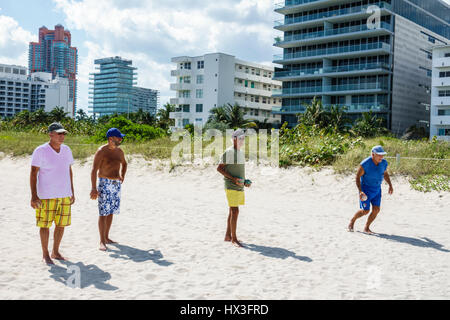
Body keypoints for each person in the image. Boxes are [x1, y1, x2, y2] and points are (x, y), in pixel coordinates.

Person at [30, 123, 75, 265]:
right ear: (50, 134)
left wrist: (72, 191)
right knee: (45, 225)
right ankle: (45, 254)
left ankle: (55, 252)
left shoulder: (67, 150)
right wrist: (34, 196)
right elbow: (33, 173)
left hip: (64, 194)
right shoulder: (41, 150)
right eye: (59, 133)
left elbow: (69, 171)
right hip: (46, 195)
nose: (62, 136)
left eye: (63, 134)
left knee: (61, 225)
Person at [90, 128, 127, 251]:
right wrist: (94, 188)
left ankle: (106, 237)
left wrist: (122, 175)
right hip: (104, 183)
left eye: (121, 137)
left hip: (116, 184)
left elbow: (125, 163)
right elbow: (94, 170)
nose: (121, 139)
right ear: (111, 139)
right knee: (103, 212)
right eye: (118, 137)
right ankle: (101, 241)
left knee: (111, 211)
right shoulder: (101, 151)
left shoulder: (119, 151)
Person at [217, 129, 251, 247]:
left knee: (232, 211)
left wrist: (245, 181)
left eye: (243, 138)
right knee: (235, 211)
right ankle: (234, 239)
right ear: (234, 139)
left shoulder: (240, 153)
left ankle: (228, 235)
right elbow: (220, 168)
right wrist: (233, 179)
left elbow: (239, 171)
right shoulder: (229, 152)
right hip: (231, 185)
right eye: (240, 138)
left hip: (239, 185)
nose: (242, 141)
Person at [348, 145, 394, 234]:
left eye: (382, 155)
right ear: (373, 155)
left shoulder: (384, 163)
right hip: (366, 189)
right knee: (365, 211)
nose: (382, 157)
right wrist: (360, 191)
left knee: (376, 209)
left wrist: (390, 185)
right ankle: (352, 220)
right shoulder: (365, 164)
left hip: (377, 189)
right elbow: (357, 177)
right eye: (379, 155)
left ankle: (366, 227)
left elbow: (385, 174)